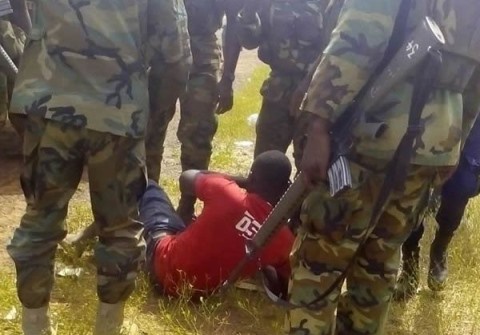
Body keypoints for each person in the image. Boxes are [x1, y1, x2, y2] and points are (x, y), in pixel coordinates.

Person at [286, 1, 480, 334]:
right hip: (433, 146)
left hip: (369, 138)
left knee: (321, 259)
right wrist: (455, 143)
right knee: (379, 262)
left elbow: (355, 41)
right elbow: (475, 82)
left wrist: (318, 124)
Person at [6, 1, 191, 334]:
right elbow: (175, 56)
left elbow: (18, 13)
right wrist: (151, 118)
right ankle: (108, 327)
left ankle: (34, 327)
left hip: (48, 106)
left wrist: (25, 96)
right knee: (119, 230)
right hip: (118, 115)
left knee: (40, 223)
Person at [68, 150, 295, 296]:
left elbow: (187, 177)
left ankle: (91, 234)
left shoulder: (229, 194)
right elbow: (284, 285)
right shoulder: (283, 239)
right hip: (204, 294)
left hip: (162, 266)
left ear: (253, 177)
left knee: (147, 186)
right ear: (285, 187)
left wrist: (242, 180)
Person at [145, 0, 244, 223]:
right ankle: (147, 202)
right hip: (160, 54)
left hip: (202, 56)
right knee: (150, 132)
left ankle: (186, 207)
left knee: (198, 133)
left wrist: (227, 77)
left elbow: (234, 20)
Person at [235, 0, 335, 168]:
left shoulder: (327, 4)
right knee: (265, 163)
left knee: (308, 167)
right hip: (277, 91)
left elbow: (333, 48)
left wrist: (306, 85)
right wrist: (249, 11)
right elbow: (249, 42)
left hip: (314, 95)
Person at [395, 115, 480, 300]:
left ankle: (440, 248)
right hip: (436, 106)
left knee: (463, 184)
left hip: (474, 116)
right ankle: (409, 263)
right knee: (415, 184)